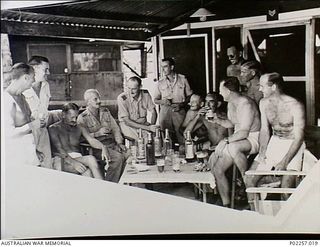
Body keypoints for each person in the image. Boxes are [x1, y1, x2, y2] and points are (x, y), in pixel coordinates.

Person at [245, 73, 305, 209]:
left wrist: (284, 162)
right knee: (249, 179)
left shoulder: (295, 105)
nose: (259, 89)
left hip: (293, 144)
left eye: (262, 86)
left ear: (274, 87)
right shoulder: (264, 103)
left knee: (286, 191)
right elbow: (265, 130)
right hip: (275, 142)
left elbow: (299, 137)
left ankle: (288, 223)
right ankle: (255, 214)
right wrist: (262, 152)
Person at [209, 77, 261, 207]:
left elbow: (244, 132)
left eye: (221, 90)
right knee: (217, 167)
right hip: (239, 139)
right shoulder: (231, 103)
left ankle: (245, 179)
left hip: (253, 138)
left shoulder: (246, 104)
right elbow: (232, 123)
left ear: (228, 91)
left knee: (232, 148)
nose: (220, 94)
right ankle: (226, 204)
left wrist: (225, 141)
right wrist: (218, 121)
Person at [78, 89, 129, 183]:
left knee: (129, 154)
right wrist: (98, 133)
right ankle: (110, 185)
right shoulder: (82, 118)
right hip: (98, 148)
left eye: (99, 98)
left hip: (112, 144)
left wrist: (119, 143)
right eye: (95, 99)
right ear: (88, 101)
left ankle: (120, 183)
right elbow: (83, 138)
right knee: (118, 158)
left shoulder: (105, 111)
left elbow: (115, 128)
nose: (99, 101)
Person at [49, 103, 105, 180]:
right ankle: (103, 188)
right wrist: (74, 163)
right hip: (62, 160)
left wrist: (103, 147)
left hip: (79, 158)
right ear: (63, 115)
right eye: (72, 117)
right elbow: (59, 149)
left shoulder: (79, 127)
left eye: (76, 117)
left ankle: (101, 189)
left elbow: (91, 140)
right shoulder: (54, 128)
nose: (75, 120)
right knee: (90, 159)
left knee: (87, 173)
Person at [4, 63, 39, 166]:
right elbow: (8, 134)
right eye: (33, 78)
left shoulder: (22, 97)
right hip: (16, 158)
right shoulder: (6, 100)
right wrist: (32, 125)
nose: (33, 81)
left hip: (29, 153)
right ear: (25, 77)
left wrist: (35, 151)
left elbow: (26, 124)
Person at [23, 56, 53, 168]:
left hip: (43, 130)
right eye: (46, 69)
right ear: (34, 68)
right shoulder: (24, 87)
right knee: (32, 165)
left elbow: (45, 107)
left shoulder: (46, 85)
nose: (48, 73)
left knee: (47, 164)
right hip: (28, 133)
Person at [154, 57, 193, 144]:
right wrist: (163, 101)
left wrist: (182, 105)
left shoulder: (183, 79)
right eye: (162, 67)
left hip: (179, 109)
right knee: (166, 136)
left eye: (165, 66)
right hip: (165, 110)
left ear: (171, 67)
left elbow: (190, 96)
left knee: (182, 134)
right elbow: (155, 100)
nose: (163, 69)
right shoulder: (160, 82)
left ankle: (184, 153)